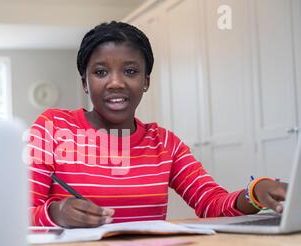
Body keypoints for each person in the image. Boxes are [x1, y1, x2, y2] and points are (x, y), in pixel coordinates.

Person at [28, 21, 288, 228]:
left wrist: (255, 192)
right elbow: (17, 216)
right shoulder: (53, 128)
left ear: (146, 81)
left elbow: (212, 204)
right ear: (85, 82)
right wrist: (55, 212)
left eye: (130, 71)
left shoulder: (165, 144)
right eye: (100, 72)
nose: (116, 82)